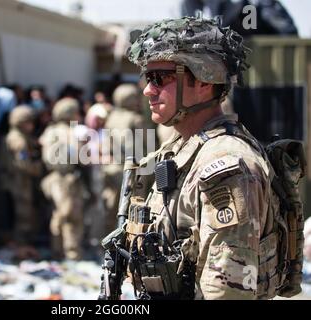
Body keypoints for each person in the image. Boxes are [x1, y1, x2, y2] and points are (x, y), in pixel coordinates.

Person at [111, 16, 290, 300]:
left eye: (160, 78)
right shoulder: (180, 149)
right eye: (147, 78)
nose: (147, 89)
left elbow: (227, 293)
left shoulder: (228, 165)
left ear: (205, 81)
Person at [39, 98, 85, 260]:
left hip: (52, 177)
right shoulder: (70, 132)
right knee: (72, 217)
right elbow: (79, 156)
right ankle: (72, 253)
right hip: (67, 179)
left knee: (57, 214)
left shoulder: (50, 131)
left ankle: (56, 249)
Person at [102, 84, 147, 234]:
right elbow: (146, 145)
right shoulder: (136, 119)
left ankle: (108, 237)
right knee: (134, 205)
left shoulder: (111, 117)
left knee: (111, 205)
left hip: (112, 167)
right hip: (133, 169)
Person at [0, 105, 43, 244]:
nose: (32, 126)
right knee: (23, 213)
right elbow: (23, 163)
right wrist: (39, 168)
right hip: (19, 180)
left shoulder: (15, 137)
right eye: (29, 122)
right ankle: (20, 243)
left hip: (14, 179)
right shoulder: (19, 140)